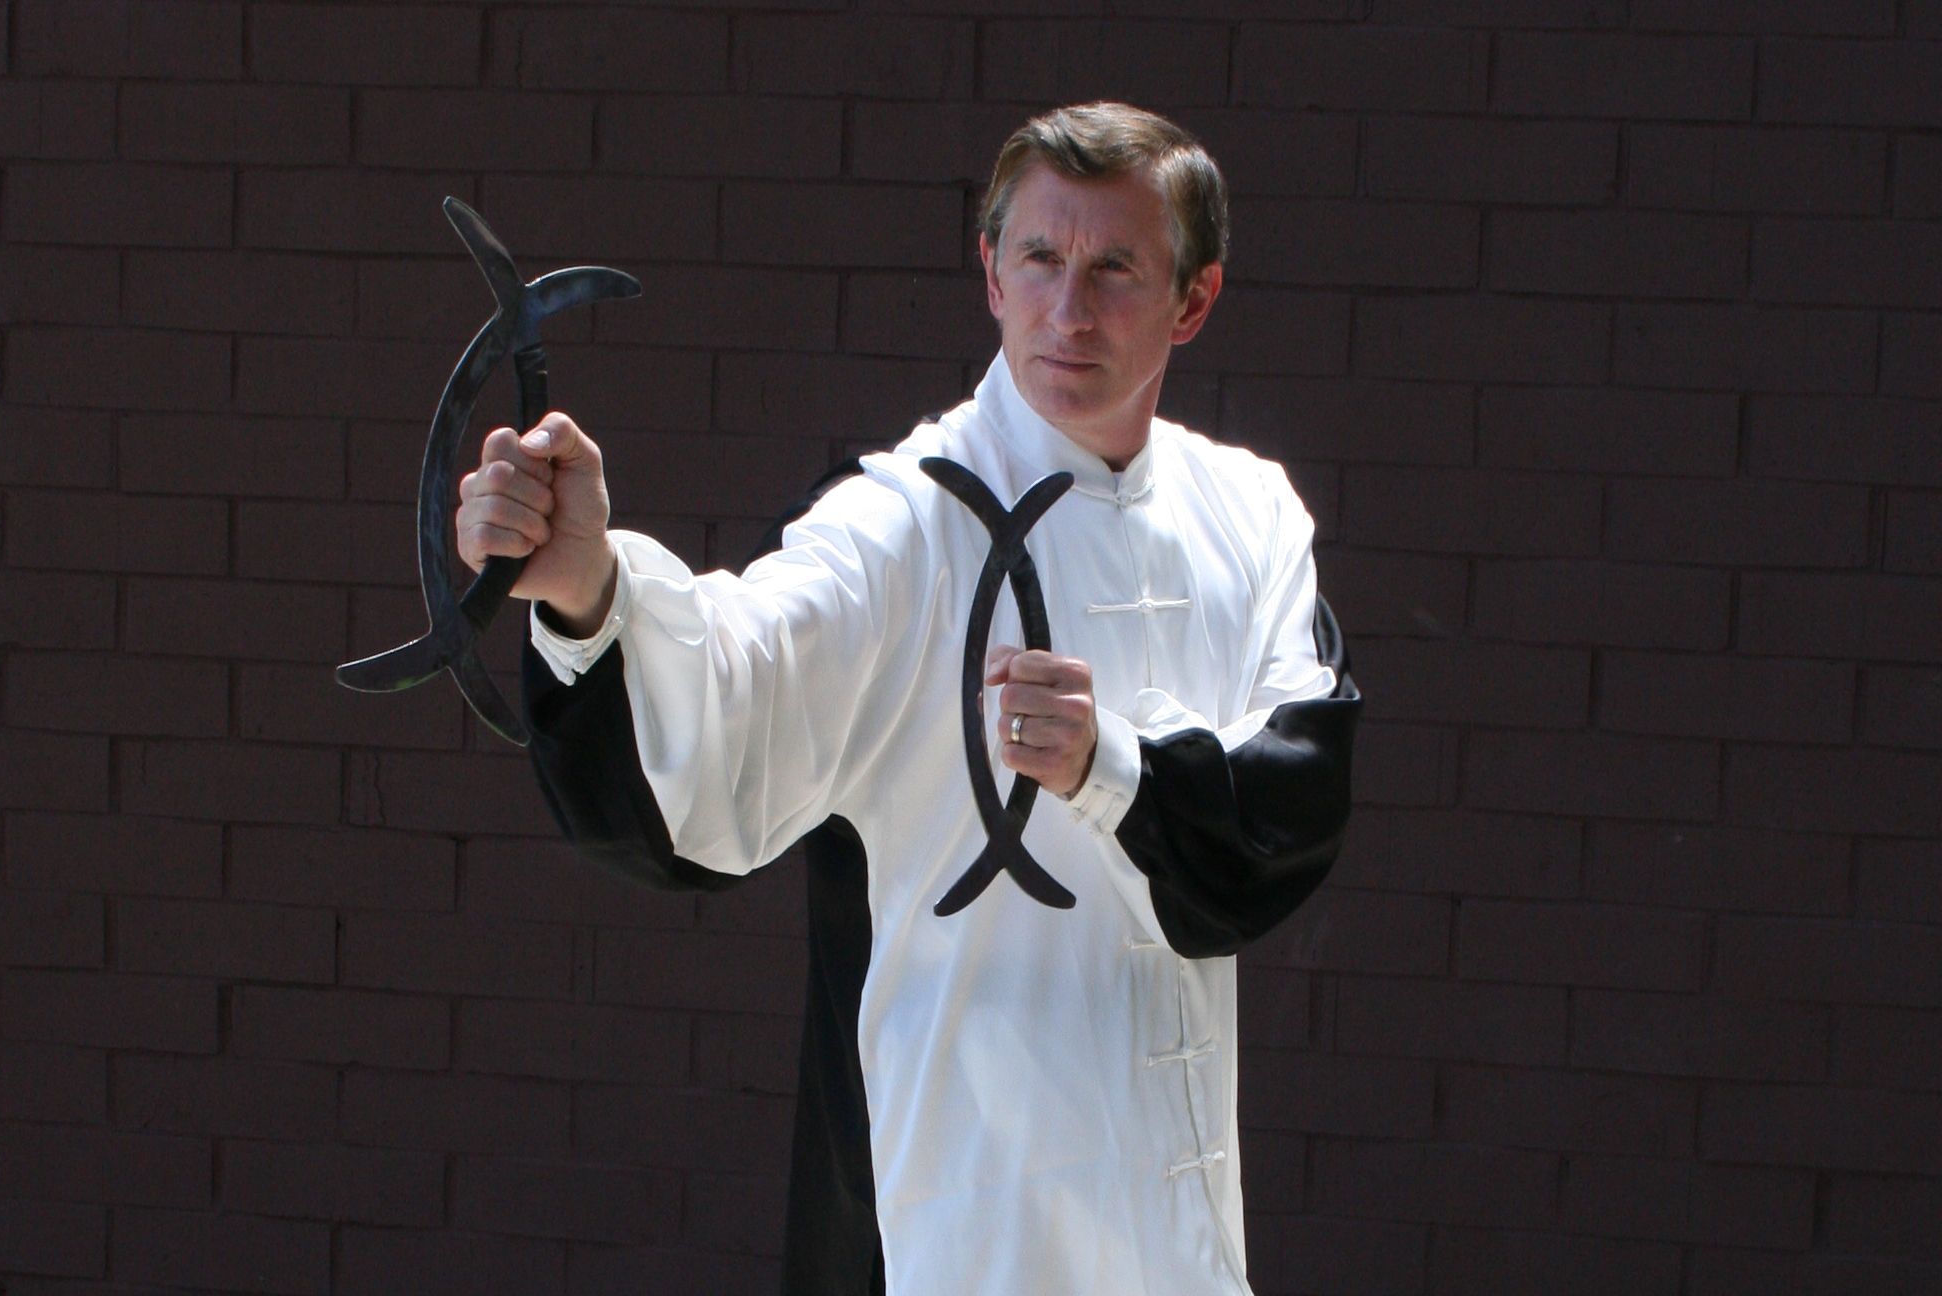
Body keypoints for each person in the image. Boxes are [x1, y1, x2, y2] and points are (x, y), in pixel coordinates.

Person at [456, 101, 1361, 1296]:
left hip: (1176, 1237)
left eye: (1115, 269)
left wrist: (1106, 767)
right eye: (1038, 259)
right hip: (950, 1222)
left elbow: (1287, 809)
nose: (1067, 310)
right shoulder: (905, 523)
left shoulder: (1249, 516)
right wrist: (592, 592)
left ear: (1193, 301)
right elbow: (739, 678)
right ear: (989, 273)